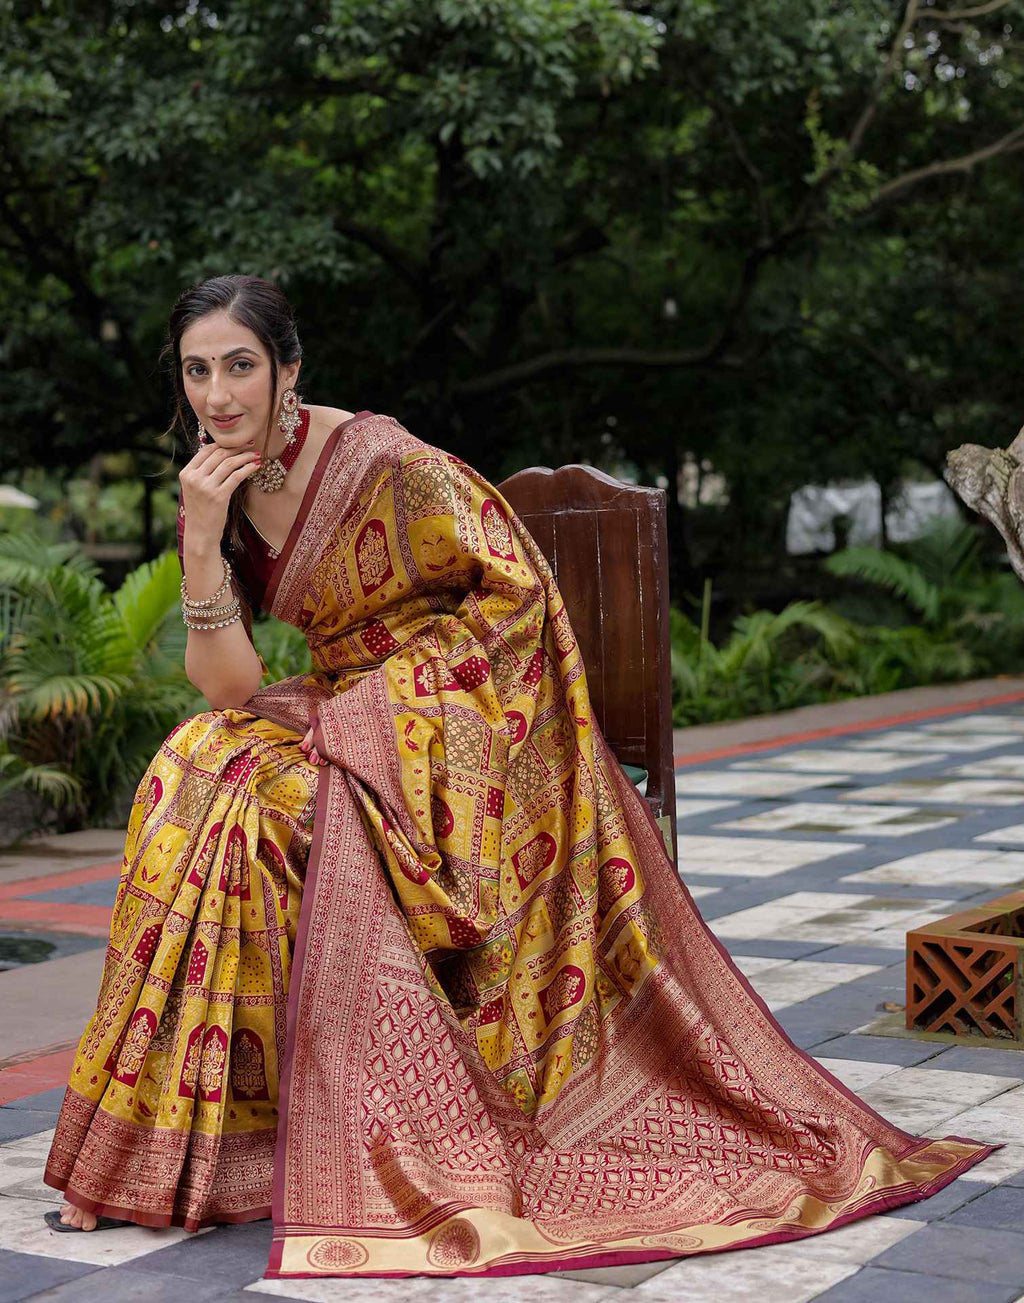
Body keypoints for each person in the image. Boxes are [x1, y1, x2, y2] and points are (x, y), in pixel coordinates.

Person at [42, 274, 995, 1279]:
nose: (218, 393)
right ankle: (185, 1147)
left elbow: (519, 596)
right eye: (197, 371)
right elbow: (231, 687)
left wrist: (397, 712)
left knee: (254, 795)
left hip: (470, 718)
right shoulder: (217, 488)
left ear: (289, 370)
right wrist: (199, 535)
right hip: (342, 707)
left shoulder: (386, 463)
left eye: (240, 365)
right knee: (193, 767)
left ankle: (308, 1124)